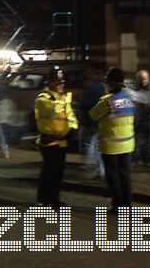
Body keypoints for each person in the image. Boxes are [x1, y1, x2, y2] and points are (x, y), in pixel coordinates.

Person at [89, 67, 135, 212]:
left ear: (111, 84)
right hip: (127, 144)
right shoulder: (128, 99)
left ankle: (117, 206)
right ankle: (127, 206)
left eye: (106, 83)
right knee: (125, 176)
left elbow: (93, 115)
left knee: (113, 177)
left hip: (111, 146)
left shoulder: (107, 102)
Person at [34, 67, 78, 208]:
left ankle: (54, 199)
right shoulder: (43, 98)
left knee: (58, 173)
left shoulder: (62, 98)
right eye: (58, 82)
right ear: (51, 82)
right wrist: (65, 100)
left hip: (62, 141)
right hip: (49, 140)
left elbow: (71, 116)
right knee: (49, 172)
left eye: (63, 82)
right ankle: (44, 199)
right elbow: (54, 110)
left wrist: (73, 129)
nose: (62, 84)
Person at [78, 69, 106, 179]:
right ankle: (101, 170)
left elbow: (84, 104)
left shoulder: (90, 89)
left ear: (87, 80)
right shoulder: (103, 86)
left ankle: (91, 166)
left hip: (91, 121)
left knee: (91, 144)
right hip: (103, 121)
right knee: (99, 146)